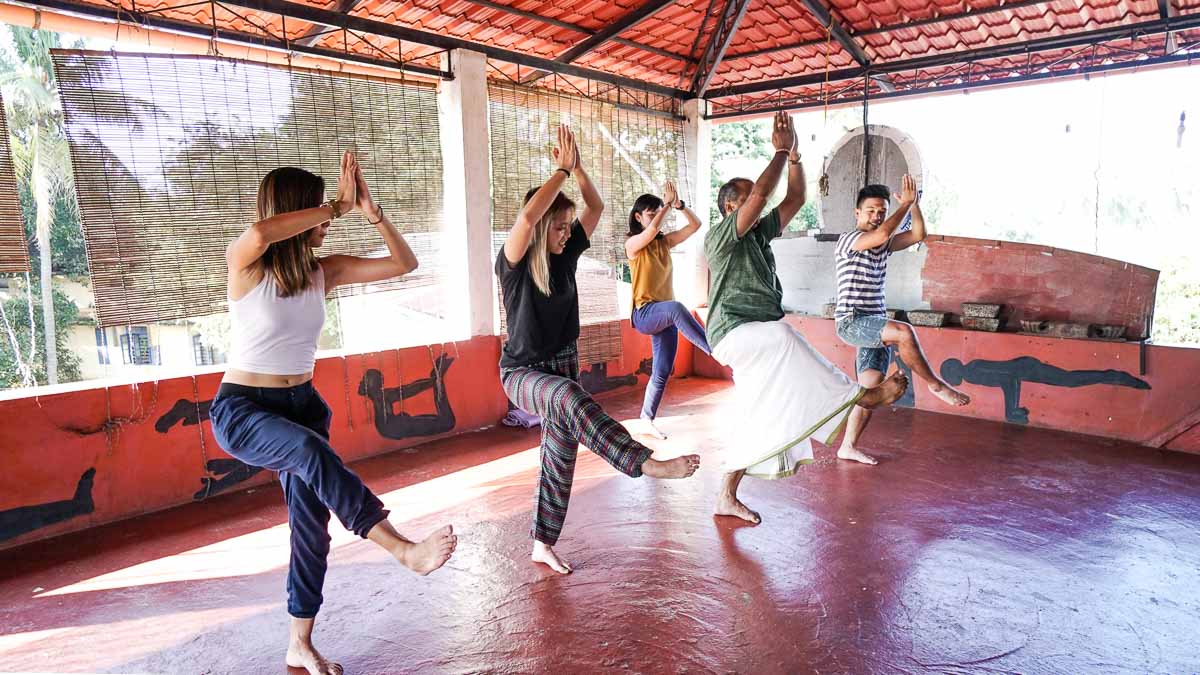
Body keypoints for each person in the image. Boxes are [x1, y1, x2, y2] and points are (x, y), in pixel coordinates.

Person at [209, 150, 457, 675]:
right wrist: (336, 207)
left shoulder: (325, 272)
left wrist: (371, 213)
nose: (324, 220)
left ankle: (299, 641)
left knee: (310, 526)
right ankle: (399, 548)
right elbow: (258, 231)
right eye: (316, 210)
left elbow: (403, 264)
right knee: (305, 450)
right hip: (244, 408)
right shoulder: (246, 267)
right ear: (300, 211)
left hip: (302, 407)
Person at [497, 124, 700, 574]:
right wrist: (561, 172)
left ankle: (542, 543)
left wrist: (580, 169)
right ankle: (643, 463)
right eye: (561, 227)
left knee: (560, 454)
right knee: (569, 399)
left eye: (570, 227)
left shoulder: (566, 256)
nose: (568, 233)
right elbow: (528, 219)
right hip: (523, 373)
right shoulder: (513, 262)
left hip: (564, 363)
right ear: (545, 224)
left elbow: (597, 205)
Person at [704, 112, 909, 524]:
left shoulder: (760, 235)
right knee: (784, 338)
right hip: (736, 332)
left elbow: (793, 200)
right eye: (747, 198)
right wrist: (779, 151)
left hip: (755, 333)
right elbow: (763, 195)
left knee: (755, 414)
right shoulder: (722, 234)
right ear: (730, 206)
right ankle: (862, 396)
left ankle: (725, 494)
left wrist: (795, 159)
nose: (757, 202)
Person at [833, 178, 970, 464]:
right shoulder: (849, 240)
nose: (877, 216)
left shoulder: (881, 246)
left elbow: (919, 234)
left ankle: (848, 446)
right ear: (857, 213)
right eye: (870, 210)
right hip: (852, 321)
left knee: (870, 391)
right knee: (904, 332)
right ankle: (936, 385)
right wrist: (904, 204)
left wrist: (914, 205)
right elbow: (883, 234)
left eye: (882, 211)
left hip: (874, 322)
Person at [625, 180, 711, 439]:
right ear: (638, 217)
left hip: (663, 316)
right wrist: (665, 206)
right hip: (645, 314)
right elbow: (651, 232)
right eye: (650, 213)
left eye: (657, 211)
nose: (655, 217)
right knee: (676, 307)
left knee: (661, 372)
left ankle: (645, 420)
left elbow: (695, 226)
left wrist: (680, 205)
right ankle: (714, 349)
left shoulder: (664, 244)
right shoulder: (633, 245)